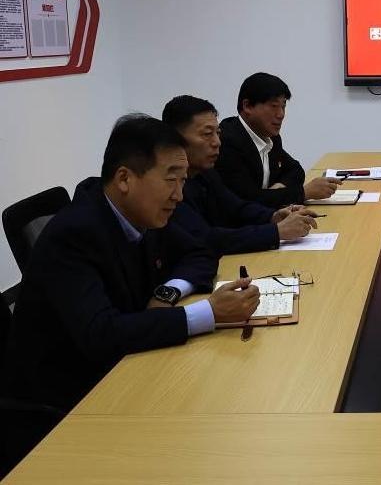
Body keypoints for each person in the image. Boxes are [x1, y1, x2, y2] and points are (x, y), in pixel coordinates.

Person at [5, 115, 260, 410]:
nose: (179, 196)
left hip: (129, 363)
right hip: (68, 399)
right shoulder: (74, 234)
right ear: (124, 179)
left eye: (183, 181)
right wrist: (209, 313)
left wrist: (168, 292)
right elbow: (101, 335)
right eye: (170, 179)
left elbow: (200, 251)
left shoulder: (142, 212)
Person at [162, 95, 318, 255]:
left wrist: (273, 216)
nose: (217, 142)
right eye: (207, 134)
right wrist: (276, 232)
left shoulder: (206, 172)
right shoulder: (169, 187)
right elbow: (205, 238)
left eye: (217, 133)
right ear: (175, 139)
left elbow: (236, 208)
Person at [216, 72, 340, 209]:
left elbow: (296, 170)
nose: (281, 114)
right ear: (247, 106)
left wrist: (277, 189)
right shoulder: (227, 142)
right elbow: (247, 200)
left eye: (283, 106)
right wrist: (304, 193)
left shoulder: (271, 137)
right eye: (274, 106)